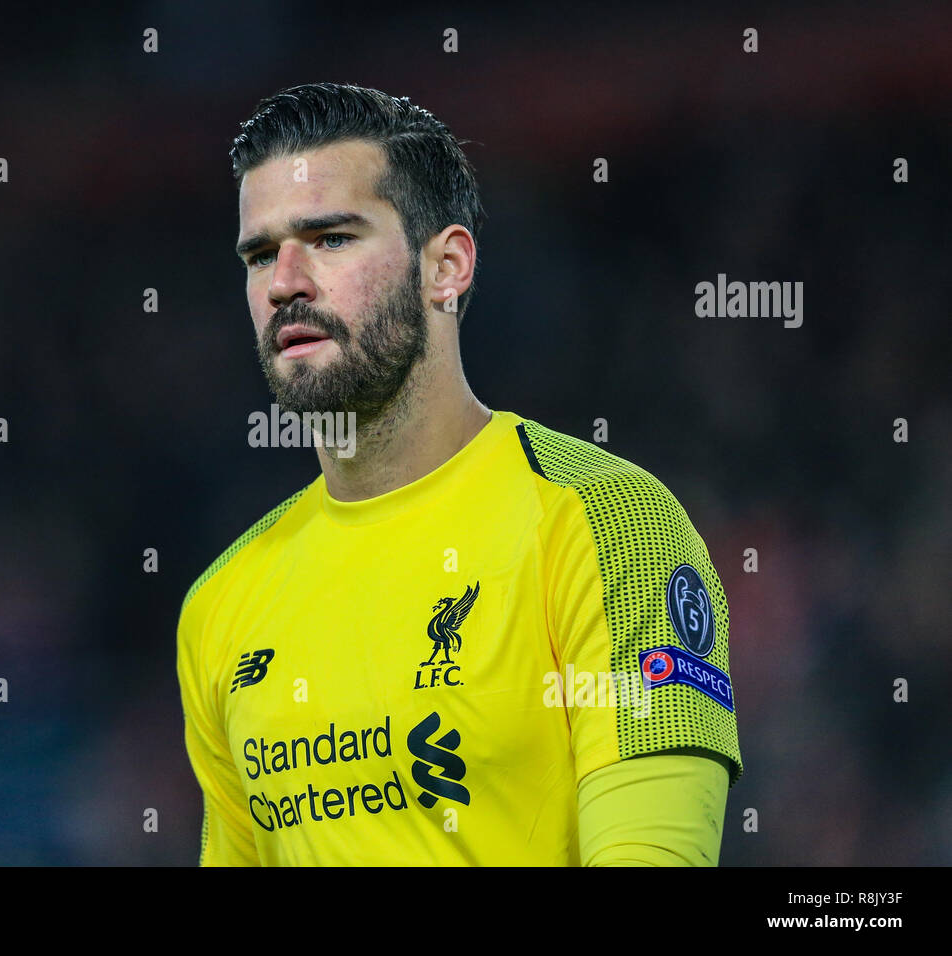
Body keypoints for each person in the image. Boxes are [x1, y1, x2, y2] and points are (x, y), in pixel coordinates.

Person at [177, 83, 742, 865]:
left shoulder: (608, 525)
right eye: (261, 253)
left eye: (332, 238)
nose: (285, 282)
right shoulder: (221, 606)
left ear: (446, 266)